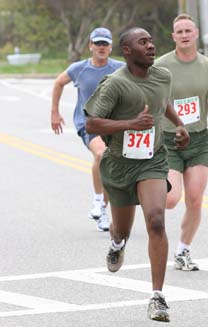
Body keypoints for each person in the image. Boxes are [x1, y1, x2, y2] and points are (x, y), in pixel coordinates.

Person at [84, 27, 189, 322]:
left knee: (156, 220)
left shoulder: (163, 76)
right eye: (143, 42)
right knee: (123, 230)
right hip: (119, 164)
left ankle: (157, 297)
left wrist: (179, 125)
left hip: (152, 160)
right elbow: (92, 124)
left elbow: (162, 101)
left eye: (151, 40)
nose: (152, 46)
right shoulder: (116, 84)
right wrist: (130, 124)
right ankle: (117, 245)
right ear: (128, 51)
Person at [155, 14, 208, 271]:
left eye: (188, 30)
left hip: (198, 140)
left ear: (196, 33)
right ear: (173, 36)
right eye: (180, 31)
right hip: (170, 140)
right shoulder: (161, 66)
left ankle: (183, 251)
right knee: (171, 199)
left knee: (196, 199)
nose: (185, 35)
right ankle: (146, 192)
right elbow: (148, 96)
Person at [51, 27, 124, 231]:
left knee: (110, 167)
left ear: (111, 47)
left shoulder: (119, 68)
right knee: (102, 154)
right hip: (89, 124)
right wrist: (54, 113)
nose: (101, 47)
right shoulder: (79, 68)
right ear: (90, 46)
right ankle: (98, 199)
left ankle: (102, 211)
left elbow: (139, 82)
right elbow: (58, 83)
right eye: (97, 43)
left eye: (105, 44)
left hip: (113, 125)